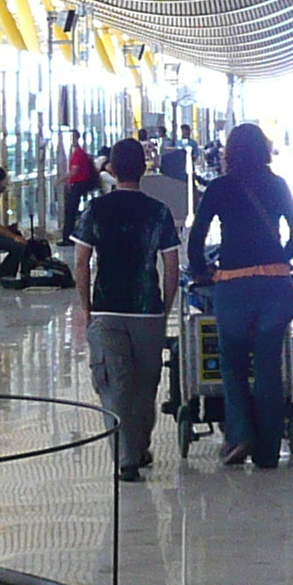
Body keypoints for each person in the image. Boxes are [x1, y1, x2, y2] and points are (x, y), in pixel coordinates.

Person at [184, 122, 293, 469]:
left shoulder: (220, 188)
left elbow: (197, 239)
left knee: (233, 365)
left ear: (230, 152)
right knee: (268, 368)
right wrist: (279, 258)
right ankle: (268, 453)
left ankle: (238, 436)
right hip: (274, 288)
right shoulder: (278, 184)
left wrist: (202, 271)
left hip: (233, 286)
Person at [73, 139, 182, 481]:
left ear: (112, 169)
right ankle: (137, 448)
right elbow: (172, 267)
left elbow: (81, 262)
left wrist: (86, 307)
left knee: (114, 384)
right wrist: (163, 309)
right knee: (145, 386)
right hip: (147, 310)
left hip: (107, 309)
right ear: (145, 169)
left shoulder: (96, 209)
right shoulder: (159, 211)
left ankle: (126, 455)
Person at [0, 163, 53, 285]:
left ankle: (26, 270)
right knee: (18, 245)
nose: (6, 184)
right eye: (4, 181)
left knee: (19, 236)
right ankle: (3, 275)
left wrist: (10, 230)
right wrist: (14, 237)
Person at [59, 136, 98, 244]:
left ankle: (67, 237)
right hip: (81, 184)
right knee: (72, 211)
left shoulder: (78, 154)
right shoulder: (80, 153)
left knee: (70, 211)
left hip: (78, 184)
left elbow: (74, 171)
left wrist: (61, 180)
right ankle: (69, 236)